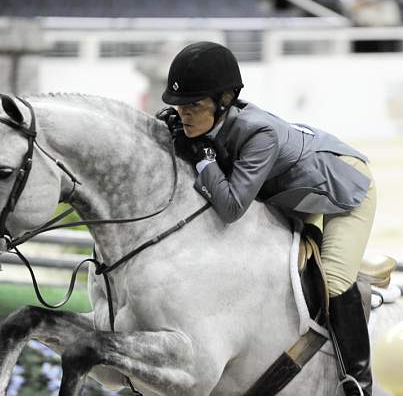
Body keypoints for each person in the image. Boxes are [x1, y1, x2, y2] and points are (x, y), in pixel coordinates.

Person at [156, 41, 376, 396]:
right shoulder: (201, 123)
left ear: (224, 100)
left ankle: (358, 382)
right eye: (179, 106)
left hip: (343, 188)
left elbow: (229, 209)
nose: (184, 115)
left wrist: (203, 159)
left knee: (333, 283)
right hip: (290, 191)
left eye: (194, 105)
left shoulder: (260, 133)